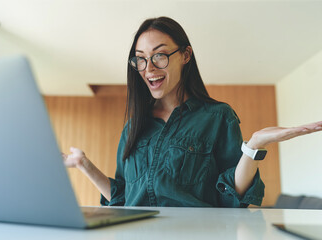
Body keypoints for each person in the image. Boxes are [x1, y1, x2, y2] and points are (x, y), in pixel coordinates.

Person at [63, 17, 322, 207]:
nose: (148, 68)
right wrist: (84, 165)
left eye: (160, 55)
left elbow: (233, 193)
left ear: (185, 55)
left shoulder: (218, 116)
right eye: (140, 58)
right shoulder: (134, 125)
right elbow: (123, 198)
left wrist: (254, 146)